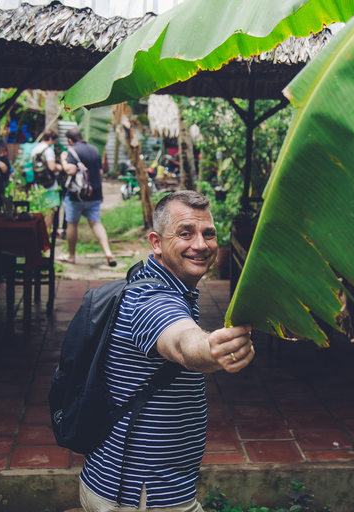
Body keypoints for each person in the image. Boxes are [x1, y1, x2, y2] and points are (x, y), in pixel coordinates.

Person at [78, 190, 255, 512]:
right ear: (156, 242)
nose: (200, 245)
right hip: (142, 493)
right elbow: (181, 342)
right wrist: (211, 348)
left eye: (208, 234)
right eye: (185, 233)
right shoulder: (152, 299)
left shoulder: (153, 280)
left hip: (121, 480)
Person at [58, 127, 116, 266]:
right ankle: (108, 253)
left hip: (77, 195)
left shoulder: (72, 151)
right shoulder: (95, 150)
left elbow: (70, 170)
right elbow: (100, 172)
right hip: (95, 193)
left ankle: (71, 256)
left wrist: (63, 160)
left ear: (70, 140)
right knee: (96, 223)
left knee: (72, 224)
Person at [30, 129, 63, 230]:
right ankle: (46, 235)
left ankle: (40, 235)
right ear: (49, 138)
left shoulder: (35, 149)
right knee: (50, 211)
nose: (53, 143)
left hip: (38, 183)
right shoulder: (48, 150)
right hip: (50, 184)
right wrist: (60, 167)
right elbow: (52, 167)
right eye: (53, 141)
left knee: (41, 210)